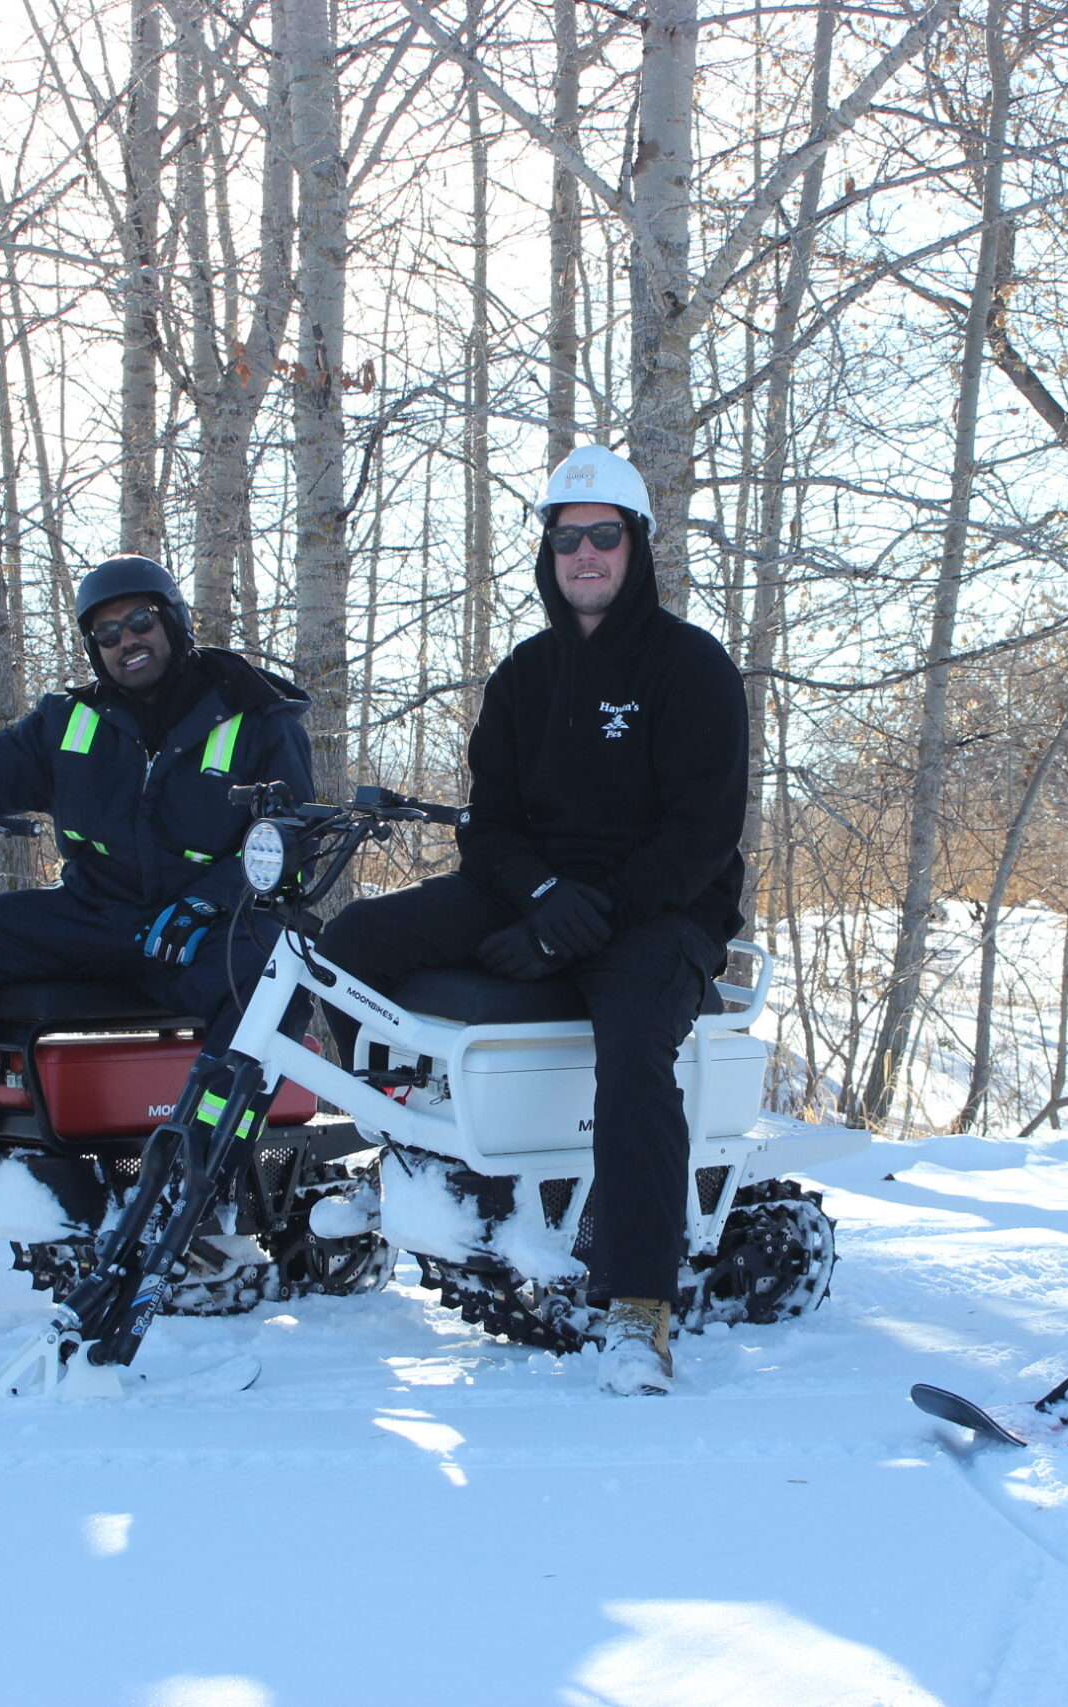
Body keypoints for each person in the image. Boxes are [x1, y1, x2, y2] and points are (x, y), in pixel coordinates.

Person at [316, 445, 750, 1395]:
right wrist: (544, 901)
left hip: (662, 909)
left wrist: (581, 921)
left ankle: (640, 1307)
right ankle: (398, 1152)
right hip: (537, 891)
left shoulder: (691, 667)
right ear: (547, 555)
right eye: (566, 540)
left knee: (637, 1048)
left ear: (636, 545)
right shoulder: (524, 675)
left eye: (604, 536)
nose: (585, 556)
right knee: (349, 949)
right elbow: (492, 824)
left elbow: (701, 835)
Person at [0, 555, 314, 1182]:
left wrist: (211, 901)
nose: (127, 640)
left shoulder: (253, 714)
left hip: (203, 931)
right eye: (108, 633)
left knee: (279, 975)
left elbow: (293, 838)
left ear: (173, 621)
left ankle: (206, 1155)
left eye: (140, 620)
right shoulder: (68, 723)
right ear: (95, 649)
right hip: (91, 917)